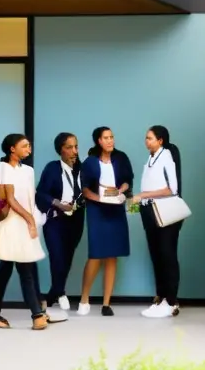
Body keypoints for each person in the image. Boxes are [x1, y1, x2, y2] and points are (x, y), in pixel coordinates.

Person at [0, 134, 55, 330]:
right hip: (11, 224)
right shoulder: (3, 167)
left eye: (29, 146)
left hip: (25, 224)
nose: (28, 149)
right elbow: (10, 199)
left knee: (6, 270)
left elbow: (30, 199)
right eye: (24, 146)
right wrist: (30, 220)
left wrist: (33, 221)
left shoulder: (29, 170)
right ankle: (37, 315)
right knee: (24, 268)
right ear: (12, 149)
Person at [77, 126, 133, 316]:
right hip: (97, 209)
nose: (110, 141)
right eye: (106, 138)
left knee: (112, 254)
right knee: (96, 254)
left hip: (116, 208)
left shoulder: (121, 157)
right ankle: (84, 298)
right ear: (98, 141)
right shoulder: (90, 162)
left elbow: (127, 180)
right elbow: (84, 189)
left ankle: (106, 303)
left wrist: (121, 191)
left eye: (112, 137)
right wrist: (100, 199)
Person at [131, 125, 184, 318]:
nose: (146, 141)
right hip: (149, 211)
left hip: (164, 212)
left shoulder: (167, 156)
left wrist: (144, 194)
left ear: (160, 140)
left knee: (167, 255)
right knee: (156, 255)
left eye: (150, 138)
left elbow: (172, 189)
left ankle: (171, 301)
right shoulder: (151, 158)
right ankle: (161, 297)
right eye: (146, 138)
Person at [34, 132, 85, 312]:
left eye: (76, 146)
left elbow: (87, 190)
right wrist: (58, 204)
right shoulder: (52, 168)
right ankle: (60, 292)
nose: (74, 151)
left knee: (67, 258)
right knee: (57, 257)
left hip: (76, 220)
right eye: (69, 147)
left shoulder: (80, 168)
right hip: (55, 220)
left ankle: (52, 295)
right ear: (60, 150)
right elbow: (40, 194)